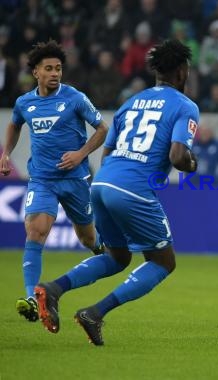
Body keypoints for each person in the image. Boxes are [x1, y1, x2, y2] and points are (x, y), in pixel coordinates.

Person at [33, 39, 199, 346]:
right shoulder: (185, 106)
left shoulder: (131, 103)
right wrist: (192, 163)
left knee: (118, 256)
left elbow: (107, 153)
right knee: (163, 261)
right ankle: (95, 313)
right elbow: (178, 157)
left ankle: (53, 288)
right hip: (133, 188)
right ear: (181, 72)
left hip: (103, 183)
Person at [0, 40, 108, 323]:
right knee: (35, 232)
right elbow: (13, 123)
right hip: (42, 180)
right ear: (36, 72)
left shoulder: (74, 98)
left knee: (87, 237)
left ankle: (100, 250)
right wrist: (6, 153)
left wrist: (81, 153)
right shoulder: (25, 102)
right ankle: (32, 299)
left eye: (58, 68)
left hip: (75, 179)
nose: (55, 73)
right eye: (48, 68)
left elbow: (102, 128)